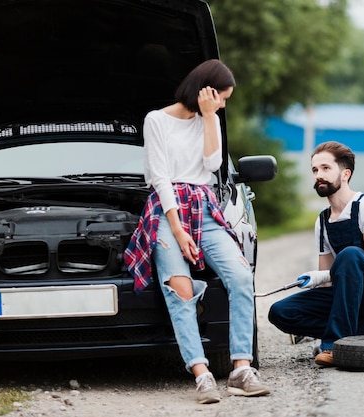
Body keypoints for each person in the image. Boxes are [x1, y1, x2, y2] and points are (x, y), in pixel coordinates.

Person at [124, 59, 270, 404]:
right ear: (204, 89)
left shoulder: (211, 121)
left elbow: (211, 164)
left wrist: (209, 118)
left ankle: (240, 369)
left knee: (239, 276)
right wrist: (178, 230)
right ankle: (202, 374)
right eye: (221, 98)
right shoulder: (156, 120)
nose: (222, 105)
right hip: (167, 212)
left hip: (204, 208)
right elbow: (159, 178)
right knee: (181, 290)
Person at [268, 141, 364, 367]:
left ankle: (335, 345)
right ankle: (360, 326)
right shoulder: (322, 221)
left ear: (345, 174)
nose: (318, 175)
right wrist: (316, 283)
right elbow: (326, 279)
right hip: (347, 291)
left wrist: (336, 278)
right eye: (315, 170)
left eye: (325, 168)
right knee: (280, 312)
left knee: (350, 254)